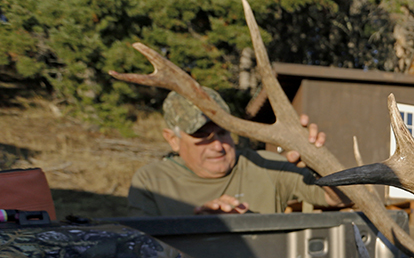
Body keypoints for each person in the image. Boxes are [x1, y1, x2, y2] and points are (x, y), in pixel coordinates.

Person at [128, 88, 346, 216]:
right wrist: (197, 229)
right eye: (202, 135)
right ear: (173, 140)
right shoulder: (151, 182)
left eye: (223, 132)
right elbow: (141, 253)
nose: (218, 146)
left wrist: (317, 160)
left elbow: (340, 199)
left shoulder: (268, 166)